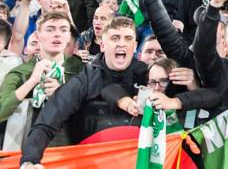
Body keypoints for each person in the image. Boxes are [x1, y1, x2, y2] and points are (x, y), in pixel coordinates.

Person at [20, 16, 148, 167]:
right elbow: (47, 122)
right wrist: (29, 160)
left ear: (135, 46)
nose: (121, 43)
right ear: (102, 45)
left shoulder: (148, 77)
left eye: (127, 38)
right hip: (90, 163)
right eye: (115, 38)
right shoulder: (83, 81)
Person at [0, 12, 83, 126]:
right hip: (29, 137)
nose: (57, 34)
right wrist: (32, 81)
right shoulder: (21, 71)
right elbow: (1, 111)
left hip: (73, 138)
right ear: (38, 35)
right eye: (50, 29)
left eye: (63, 30)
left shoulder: (81, 70)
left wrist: (62, 93)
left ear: (69, 36)